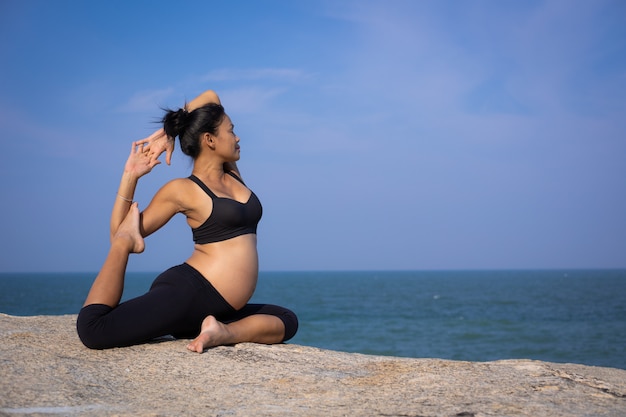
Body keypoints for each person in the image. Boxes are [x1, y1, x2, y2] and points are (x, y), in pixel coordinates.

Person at [76, 90, 298, 353]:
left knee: (286, 320)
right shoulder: (183, 190)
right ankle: (210, 327)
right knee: (94, 331)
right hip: (188, 293)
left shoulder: (232, 174)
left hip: (220, 307)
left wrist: (169, 133)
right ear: (209, 140)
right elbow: (120, 234)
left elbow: (211, 97)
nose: (237, 137)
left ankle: (221, 331)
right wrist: (130, 176)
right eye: (231, 131)